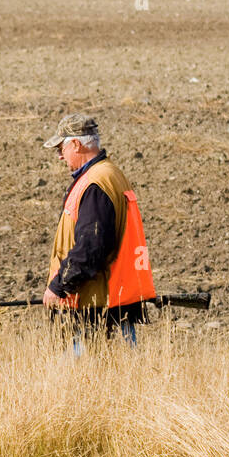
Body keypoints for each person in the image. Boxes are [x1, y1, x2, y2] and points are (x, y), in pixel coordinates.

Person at [41, 114, 156, 352]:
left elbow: (91, 246)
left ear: (76, 144)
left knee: (77, 380)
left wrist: (58, 286)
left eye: (61, 148)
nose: (60, 156)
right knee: (123, 377)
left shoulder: (95, 183)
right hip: (116, 299)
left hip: (97, 306)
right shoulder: (111, 174)